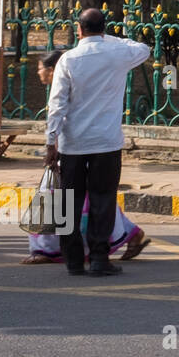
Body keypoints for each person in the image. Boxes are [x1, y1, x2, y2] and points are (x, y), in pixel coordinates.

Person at [44, 9, 151, 277]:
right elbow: (143, 48)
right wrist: (109, 39)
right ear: (104, 29)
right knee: (103, 199)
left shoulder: (67, 60)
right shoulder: (117, 53)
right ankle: (100, 258)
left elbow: (56, 105)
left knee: (70, 201)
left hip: (73, 143)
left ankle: (73, 260)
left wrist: (50, 142)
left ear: (78, 30)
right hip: (106, 142)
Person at [24, 51, 150, 265]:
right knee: (94, 198)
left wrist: (51, 146)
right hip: (86, 146)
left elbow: (59, 114)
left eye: (40, 68)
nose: (38, 73)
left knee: (76, 199)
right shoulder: (79, 83)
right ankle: (127, 234)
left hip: (76, 148)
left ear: (53, 69)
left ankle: (51, 250)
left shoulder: (67, 85)